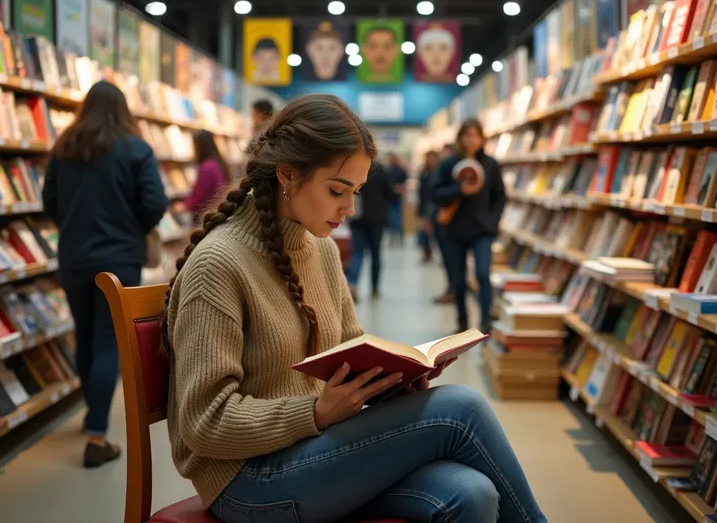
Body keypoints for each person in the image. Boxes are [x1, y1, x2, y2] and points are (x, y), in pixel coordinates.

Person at [161, 94, 545, 523]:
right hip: (249, 480)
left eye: (357, 191)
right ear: (287, 174)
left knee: (471, 493)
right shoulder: (219, 265)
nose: (351, 208)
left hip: (315, 449)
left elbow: (347, 352)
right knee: (462, 410)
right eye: (337, 191)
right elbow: (204, 422)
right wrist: (314, 411)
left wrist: (395, 379)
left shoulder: (320, 249)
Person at [42, 80, 169, 468]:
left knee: (85, 336)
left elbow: (49, 202)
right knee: (108, 341)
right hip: (120, 259)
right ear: (123, 110)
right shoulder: (135, 148)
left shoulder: (64, 147)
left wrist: (76, 225)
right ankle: (97, 435)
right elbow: (155, 203)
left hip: (75, 256)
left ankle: (91, 413)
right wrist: (130, 225)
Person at [432, 119, 506, 334]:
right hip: (454, 229)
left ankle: (485, 322)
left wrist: (494, 220)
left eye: (476, 135)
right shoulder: (447, 164)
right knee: (458, 278)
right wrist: (459, 191)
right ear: (460, 138)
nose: (471, 140)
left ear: (482, 138)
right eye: (467, 135)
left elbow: (500, 196)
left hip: (483, 229)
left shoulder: (490, 164)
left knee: (483, 273)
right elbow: (434, 193)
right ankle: (462, 321)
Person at [346, 160, 395, 301]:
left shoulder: (353, 167)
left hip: (357, 217)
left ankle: (353, 284)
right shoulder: (379, 169)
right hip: (377, 218)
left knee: (357, 253)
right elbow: (390, 193)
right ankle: (374, 289)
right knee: (376, 254)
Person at [184, 129, 231, 224]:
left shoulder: (206, 167)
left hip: (206, 217)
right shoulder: (218, 163)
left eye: (194, 146)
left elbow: (199, 198)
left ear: (200, 147)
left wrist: (185, 206)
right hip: (218, 213)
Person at [431, 143, 456, 303]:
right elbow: (433, 194)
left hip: (455, 224)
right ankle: (451, 289)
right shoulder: (440, 171)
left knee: (452, 259)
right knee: (447, 258)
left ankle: (453, 290)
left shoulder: (456, 173)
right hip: (441, 219)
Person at [417, 149, 439, 263]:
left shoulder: (440, 172)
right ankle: (426, 253)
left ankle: (439, 254)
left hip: (438, 204)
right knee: (425, 231)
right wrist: (420, 211)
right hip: (426, 205)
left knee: (437, 231)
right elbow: (421, 192)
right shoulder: (423, 173)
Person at [385, 152, 407, 246]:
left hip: (397, 198)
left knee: (398, 219)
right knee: (391, 219)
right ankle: (392, 239)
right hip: (389, 198)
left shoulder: (401, 170)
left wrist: (401, 188)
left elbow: (405, 182)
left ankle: (400, 239)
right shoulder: (387, 170)